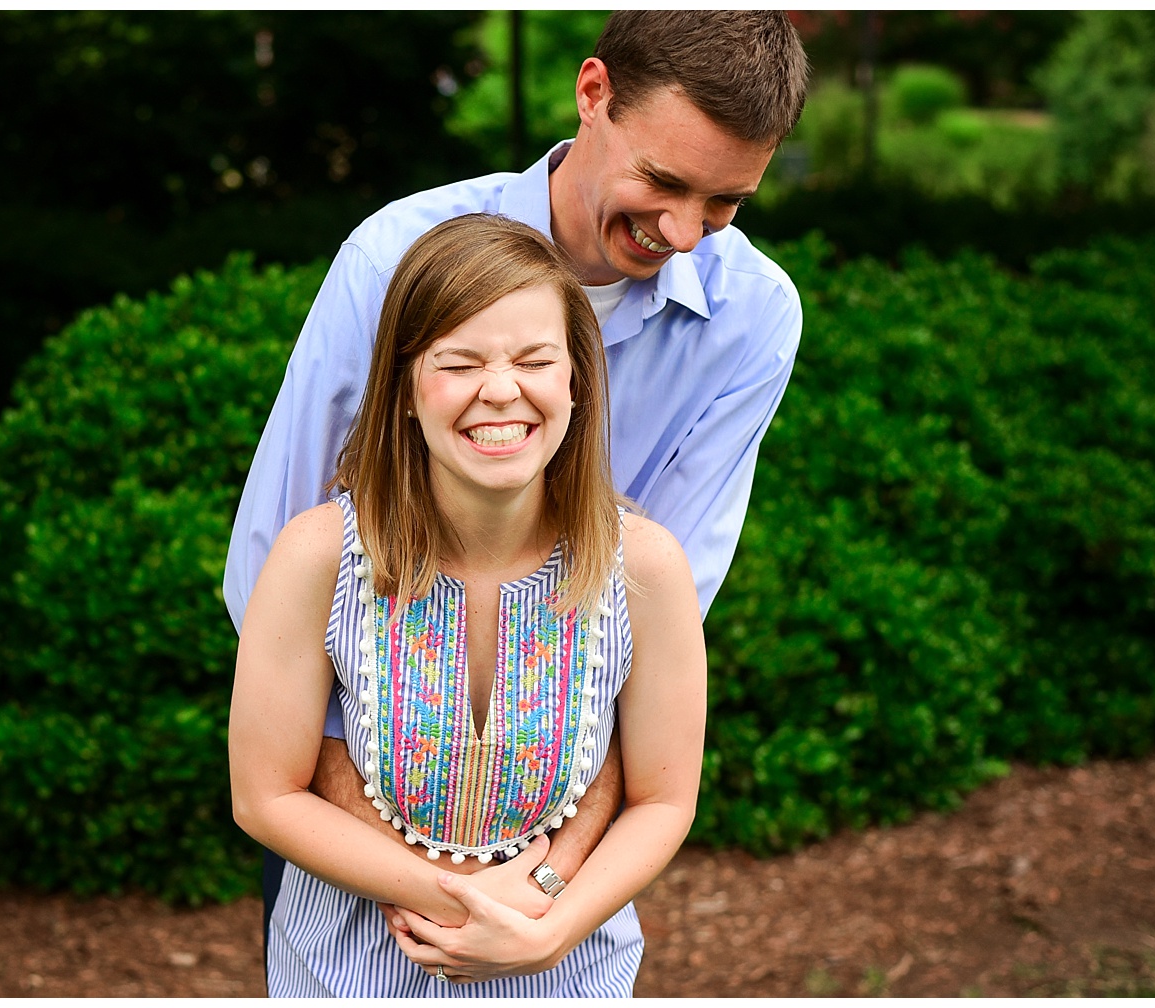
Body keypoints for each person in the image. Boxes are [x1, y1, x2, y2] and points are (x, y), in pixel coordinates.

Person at [224, 6, 808, 973]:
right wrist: (428, 870)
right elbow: (278, 583)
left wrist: (543, 896)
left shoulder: (751, 321)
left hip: (564, 852)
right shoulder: (390, 260)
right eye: (663, 181)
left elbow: (649, 637)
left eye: (725, 204)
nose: (682, 231)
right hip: (348, 821)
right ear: (593, 95)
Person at [229, 213, 706, 996]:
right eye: (459, 362)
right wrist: (462, 901)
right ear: (407, 390)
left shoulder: (645, 568)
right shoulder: (318, 556)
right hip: (349, 969)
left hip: (567, 967)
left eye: (534, 360)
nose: (500, 390)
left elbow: (664, 799)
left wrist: (549, 924)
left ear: (575, 383)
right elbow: (265, 794)